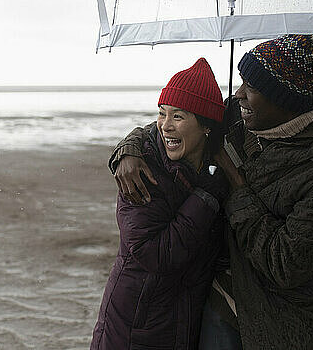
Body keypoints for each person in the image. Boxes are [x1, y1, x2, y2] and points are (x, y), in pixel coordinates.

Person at [111, 35, 313, 349]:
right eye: (242, 82)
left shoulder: (308, 167)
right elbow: (176, 121)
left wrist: (236, 186)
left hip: (274, 321)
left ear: (286, 101)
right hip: (215, 300)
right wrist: (129, 149)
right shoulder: (238, 115)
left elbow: (285, 263)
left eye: (253, 88)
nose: (238, 95)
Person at [90, 58, 229, 350]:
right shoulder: (141, 171)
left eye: (178, 116)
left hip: (183, 321)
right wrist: (205, 198)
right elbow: (154, 254)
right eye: (162, 113)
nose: (165, 125)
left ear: (205, 126)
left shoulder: (214, 165)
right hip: (134, 328)